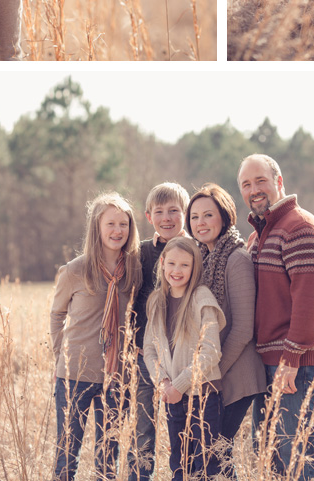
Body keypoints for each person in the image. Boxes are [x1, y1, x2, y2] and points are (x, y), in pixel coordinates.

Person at [238, 154, 314, 481]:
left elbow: (310, 303)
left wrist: (292, 358)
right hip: (271, 360)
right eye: (246, 184)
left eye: (261, 181)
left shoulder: (300, 227)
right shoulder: (260, 234)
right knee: (269, 454)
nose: (254, 189)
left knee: (298, 455)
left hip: (299, 362)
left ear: (279, 183)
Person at [50, 192, 142, 481]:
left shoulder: (136, 270)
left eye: (124, 224)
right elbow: (56, 315)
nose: (118, 231)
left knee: (108, 456)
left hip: (117, 376)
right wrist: (59, 358)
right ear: (97, 228)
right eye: (111, 224)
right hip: (76, 373)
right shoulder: (75, 270)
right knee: (67, 453)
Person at [187, 185, 266, 478]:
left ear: (224, 217)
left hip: (237, 374)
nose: (201, 222)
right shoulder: (201, 258)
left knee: (215, 454)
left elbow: (243, 328)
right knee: (215, 457)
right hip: (214, 373)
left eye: (208, 215)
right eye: (194, 217)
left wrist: (212, 370)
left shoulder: (236, 258)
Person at [143, 237, 225, 481]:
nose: (176, 271)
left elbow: (211, 351)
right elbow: (149, 348)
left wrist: (179, 385)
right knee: (179, 464)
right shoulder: (156, 301)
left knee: (206, 465)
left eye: (184, 265)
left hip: (203, 396)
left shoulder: (202, 298)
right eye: (172, 264)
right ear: (162, 263)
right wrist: (164, 383)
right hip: (171, 397)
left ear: (195, 268)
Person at [132, 182, 192, 480]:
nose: (167, 217)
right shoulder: (141, 253)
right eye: (159, 212)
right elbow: (130, 299)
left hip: (182, 360)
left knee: (183, 431)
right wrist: (134, 343)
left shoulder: (196, 250)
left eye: (174, 211)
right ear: (148, 216)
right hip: (147, 357)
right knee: (142, 429)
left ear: (186, 213)